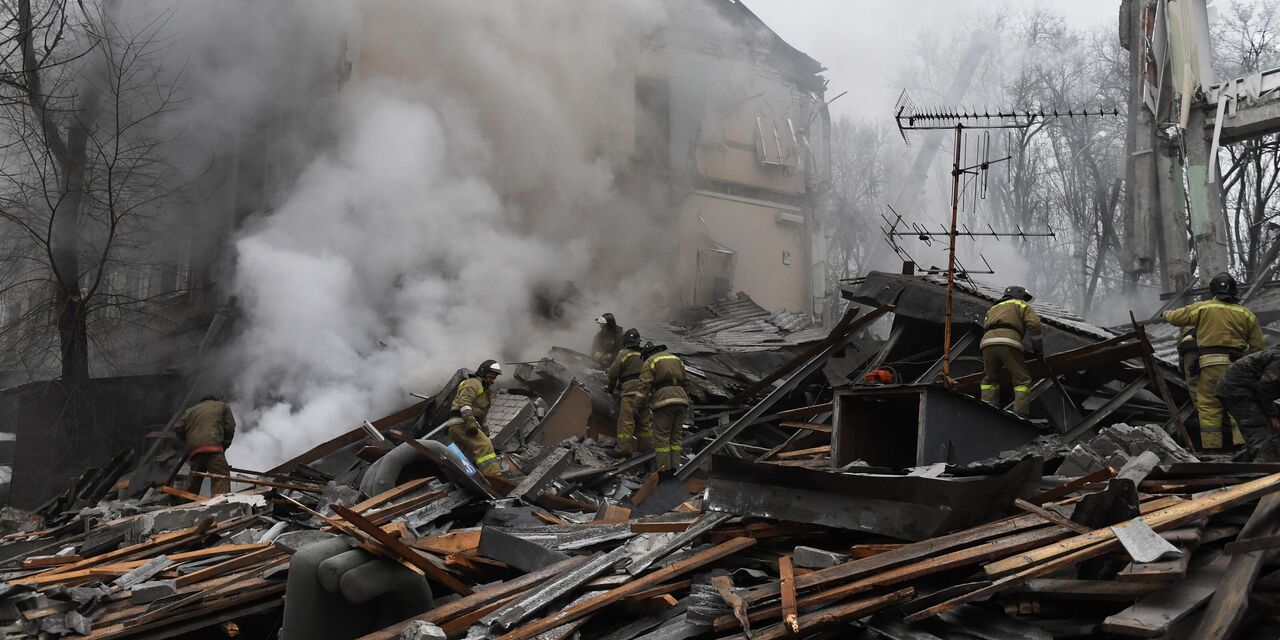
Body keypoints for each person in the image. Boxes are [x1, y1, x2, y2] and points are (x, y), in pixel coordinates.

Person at [1165, 272, 1264, 449]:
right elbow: (1257, 348)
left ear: (1213, 291)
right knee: (1237, 404)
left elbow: (1177, 318)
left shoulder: (1203, 308)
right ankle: (1242, 446)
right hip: (1237, 366)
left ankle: (1213, 449)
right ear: (1234, 292)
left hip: (1209, 365)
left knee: (1209, 407)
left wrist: (1166, 314)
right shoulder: (1247, 314)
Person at [979, 285, 1043, 417]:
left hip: (987, 343)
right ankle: (1020, 413)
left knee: (990, 380)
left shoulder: (993, 308)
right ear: (1018, 294)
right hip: (1009, 341)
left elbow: (985, 326)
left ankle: (987, 410)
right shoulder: (1021, 305)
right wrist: (1038, 350)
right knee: (1022, 380)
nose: (1025, 300)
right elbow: (1035, 325)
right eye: (1024, 297)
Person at [1216, 345, 1280, 461]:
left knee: (1261, 432)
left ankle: (1250, 463)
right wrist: (1272, 414)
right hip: (1238, 390)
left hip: (1241, 390)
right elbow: (1266, 386)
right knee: (1262, 432)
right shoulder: (1278, 358)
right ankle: (1263, 471)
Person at [637, 342, 689, 474]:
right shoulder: (676, 359)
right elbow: (687, 382)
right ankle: (675, 469)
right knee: (676, 437)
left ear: (648, 353)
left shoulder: (650, 361)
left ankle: (664, 472)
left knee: (662, 438)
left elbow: (644, 386)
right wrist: (681, 396)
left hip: (664, 401)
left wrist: (637, 405)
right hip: (681, 400)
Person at [446, 359, 503, 478]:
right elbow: (464, 403)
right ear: (483, 372)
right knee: (484, 445)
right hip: (462, 423)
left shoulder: (486, 394)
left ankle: (462, 479)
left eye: (494, 379)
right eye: (490, 377)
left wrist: (486, 433)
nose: (492, 381)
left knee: (464, 456)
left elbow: (483, 418)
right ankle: (495, 478)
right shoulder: (473, 383)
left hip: (463, 425)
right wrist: (471, 423)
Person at [173, 395, 236, 496]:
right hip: (213, 447)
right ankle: (219, 505)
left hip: (195, 450)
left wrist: (190, 439)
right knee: (220, 477)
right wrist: (224, 445)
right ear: (215, 400)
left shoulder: (190, 411)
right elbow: (229, 427)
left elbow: (177, 427)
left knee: (193, 481)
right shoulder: (222, 406)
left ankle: (186, 505)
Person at [607, 329, 652, 456]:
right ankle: (647, 450)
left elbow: (613, 373)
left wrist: (610, 388)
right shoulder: (644, 354)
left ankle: (624, 450)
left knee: (627, 421)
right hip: (644, 392)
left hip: (630, 392)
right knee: (644, 423)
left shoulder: (624, 353)